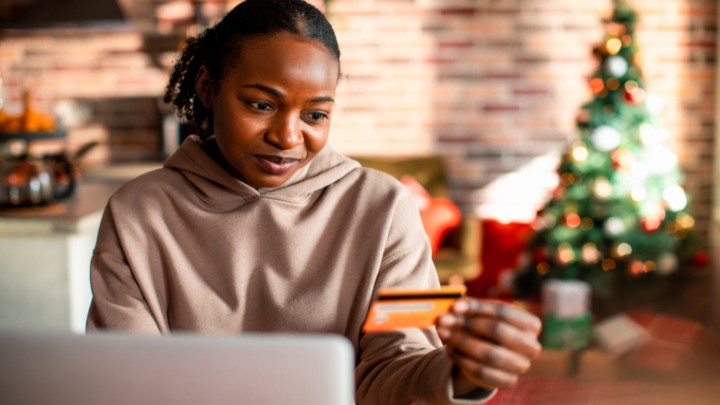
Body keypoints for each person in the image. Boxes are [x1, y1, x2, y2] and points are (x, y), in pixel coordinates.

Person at [85, 0, 542, 403]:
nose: (287, 137)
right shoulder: (138, 212)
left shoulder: (383, 208)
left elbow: (397, 362)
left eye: (315, 114)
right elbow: (129, 378)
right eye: (261, 105)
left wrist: (462, 375)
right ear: (207, 88)